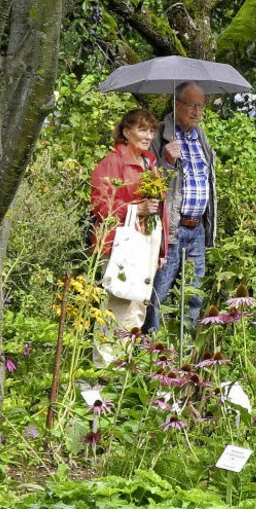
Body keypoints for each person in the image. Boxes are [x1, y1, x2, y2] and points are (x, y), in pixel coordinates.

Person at [90, 108, 166, 364]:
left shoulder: (149, 163)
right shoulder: (112, 162)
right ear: (126, 131)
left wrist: (162, 250)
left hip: (146, 244)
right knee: (116, 308)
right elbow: (101, 205)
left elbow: (159, 210)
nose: (148, 136)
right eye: (142, 130)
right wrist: (135, 208)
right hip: (120, 245)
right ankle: (105, 371)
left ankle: (123, 366)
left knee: (137, 309)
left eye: (152, 130)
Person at [142, 82, 218, 334]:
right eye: (191, 105)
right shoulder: (161, 134)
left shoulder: (201, 136)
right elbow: (149, 184)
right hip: (171, 229)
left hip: (196, 230)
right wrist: (167, 161)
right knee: (158, 293)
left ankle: (183, 357)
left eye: (201, 106)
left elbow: (209, 180)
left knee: (193, 295)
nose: (197, 111)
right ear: (176, 105)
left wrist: (209, 229)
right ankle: (148, 351)